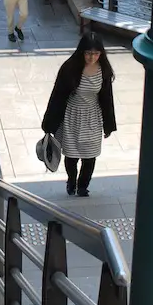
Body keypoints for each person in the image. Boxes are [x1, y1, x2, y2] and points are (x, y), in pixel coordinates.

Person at [41, 32, 117, 197]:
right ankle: (71, 181)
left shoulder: (103, 70)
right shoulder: (69, 68)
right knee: (71, 155)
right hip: (71, 117)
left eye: (96, 54)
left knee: (90, 155)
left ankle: (83, 186)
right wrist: (49, 124)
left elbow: (107, 99)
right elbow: (57, 96)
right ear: (81, 52)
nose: (91, 57)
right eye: (88, 53)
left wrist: (109, 125)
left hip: (92, 117)